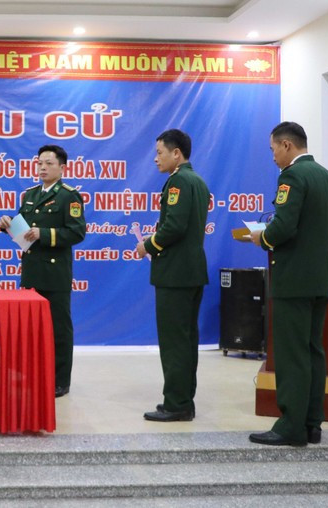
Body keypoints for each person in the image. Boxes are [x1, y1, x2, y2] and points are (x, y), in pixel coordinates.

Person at [248, 122, 328, 447]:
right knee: (314, 350)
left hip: (293, 281)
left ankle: (290, 426)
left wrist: (262, 237)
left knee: (291, 353)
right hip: (321, 280)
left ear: (287, 145)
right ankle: (312, 423)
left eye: (273, 148)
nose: (273, 155)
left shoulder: (292, 177)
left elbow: (284, 226)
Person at [0, 145, 86, 397]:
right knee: (31, 328)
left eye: (49, 163)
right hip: (31, 271)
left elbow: (77, 232)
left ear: (62, 167)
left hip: (55, 273)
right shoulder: (30, 194)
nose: (43, 168)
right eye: (40, 163)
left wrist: (44, 234)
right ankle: (34, 374)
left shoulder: (69, 196)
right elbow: (23, 229)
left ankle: (60, 380)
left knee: (58, 328)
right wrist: (8, 224)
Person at [136, 129, 210, 422]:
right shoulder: (197, 180)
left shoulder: (178, 181)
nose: (155, 159)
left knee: (174, 342)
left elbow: (175, 226)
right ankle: (184, 399)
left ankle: (176, 403)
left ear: (176, 153)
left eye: (160, 153)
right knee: (187, 339)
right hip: (191, 271)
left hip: (175, 273)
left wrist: (148, 245)